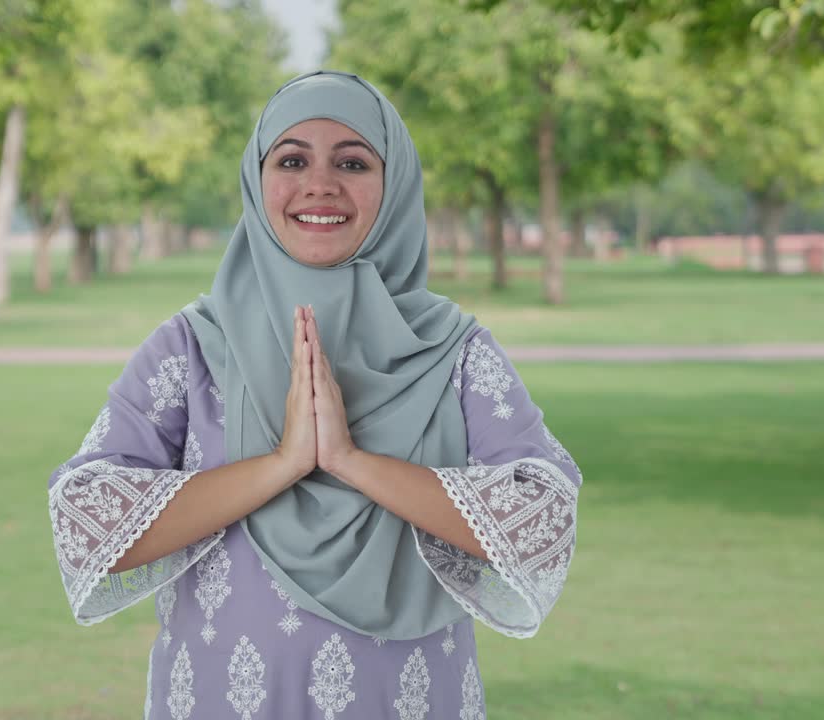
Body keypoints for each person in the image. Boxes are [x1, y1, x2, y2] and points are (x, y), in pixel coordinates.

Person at [48, 71, 582, 720]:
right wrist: (282, 463)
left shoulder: (452, 350)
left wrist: (353, 461)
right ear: (256, 179)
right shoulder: (192, 346)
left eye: (352, 162)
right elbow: (91, 532)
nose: (320, 184)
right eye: (292, 159)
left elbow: (539, 524)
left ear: (396, 186)